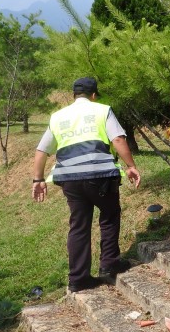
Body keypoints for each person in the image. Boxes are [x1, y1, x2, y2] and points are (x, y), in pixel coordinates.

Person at [32, 77, 141, 292]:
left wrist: (38, 180)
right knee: (110, 214)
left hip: (70, 179)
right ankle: (109, 265)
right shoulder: (102, 110)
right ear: (93, 95)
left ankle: (78, 279)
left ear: (74, 95)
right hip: (99, 174)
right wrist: (130, 166)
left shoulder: (58, 116)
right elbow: (118, 140)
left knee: (79, 225)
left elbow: (41, 150)